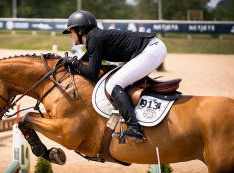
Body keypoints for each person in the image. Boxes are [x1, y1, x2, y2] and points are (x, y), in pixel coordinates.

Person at [62, 10, 167, 143]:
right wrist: (71, 64)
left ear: (80, 30)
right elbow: (84, 63)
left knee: (113, 84)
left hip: (151, 50)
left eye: (71, 32)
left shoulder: (93, 38)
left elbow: (92, 74)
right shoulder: (94, 37)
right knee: (119, 81)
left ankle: (134, 129)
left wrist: (72, 62)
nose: (70, 36)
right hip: (152, 48)